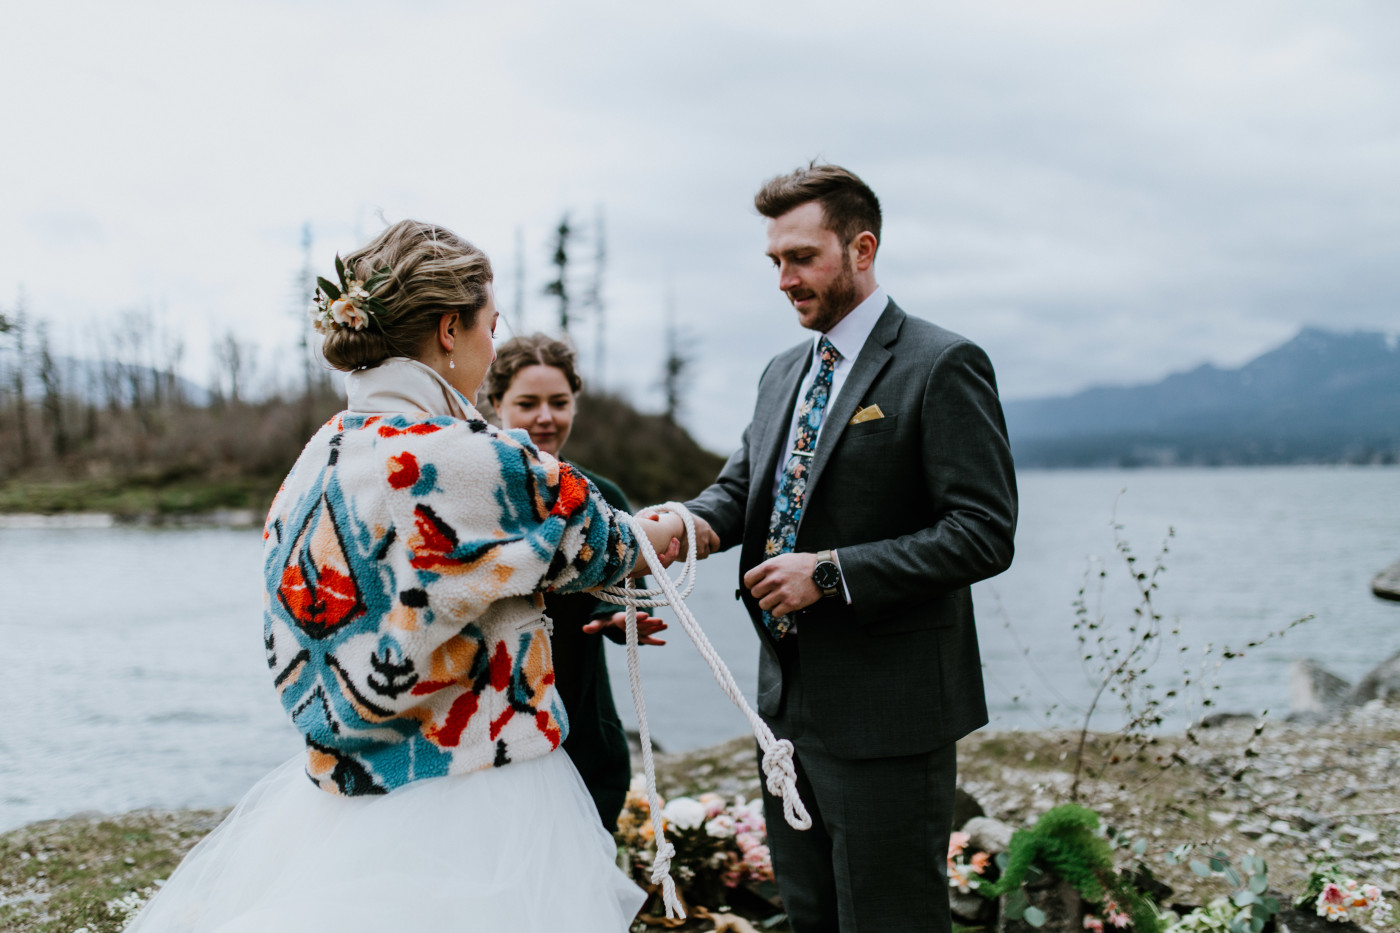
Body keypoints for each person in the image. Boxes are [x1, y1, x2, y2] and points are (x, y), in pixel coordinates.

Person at [127, 220, 685, 933]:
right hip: (479, 791)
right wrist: (686, 527)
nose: (493, 342)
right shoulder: (465, 457)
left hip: (350, 796)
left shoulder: (318, 457)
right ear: (451, 329)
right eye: (492, 322)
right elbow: (610, 543)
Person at [683, 164, 1018, 933]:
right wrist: (671, 529)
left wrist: (829, 575)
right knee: (812, 920)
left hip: (891, 718)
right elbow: (739, 496)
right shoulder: (781, 375)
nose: (784, 279)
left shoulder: (941, 363)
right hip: (788, 712)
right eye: (775, 261)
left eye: (801, 257)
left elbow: (983, 530)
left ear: (861, 248)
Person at [484, 333, 667, 832]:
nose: (546, 417)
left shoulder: (602, 497)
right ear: (496, 403)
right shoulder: (469, 497)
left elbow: (616, 597)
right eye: (528, 403)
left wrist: (615, 615)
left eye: (559, 403)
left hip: (583, 740)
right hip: (486, 741)